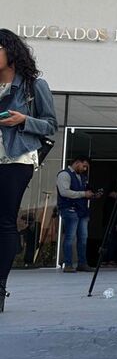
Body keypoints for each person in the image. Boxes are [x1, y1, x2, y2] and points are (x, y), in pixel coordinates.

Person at [0, 28, 56, 311]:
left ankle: (0, 286)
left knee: (5, 219)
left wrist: (24, 120)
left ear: (11, 52)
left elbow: (50, 125)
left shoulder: (34, 86)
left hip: (16, 159)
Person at [56, 155, 94, 272]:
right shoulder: (64, 174)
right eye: (84, 166)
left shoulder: (81, 177)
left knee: (83, 238)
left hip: (81, 210)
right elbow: (64, 192)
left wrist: (91, 194)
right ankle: (68, 264)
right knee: (70, 237)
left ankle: (82, 263)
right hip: (70, 209)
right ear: (77, 162)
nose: (85, 169)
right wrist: (83, 194)